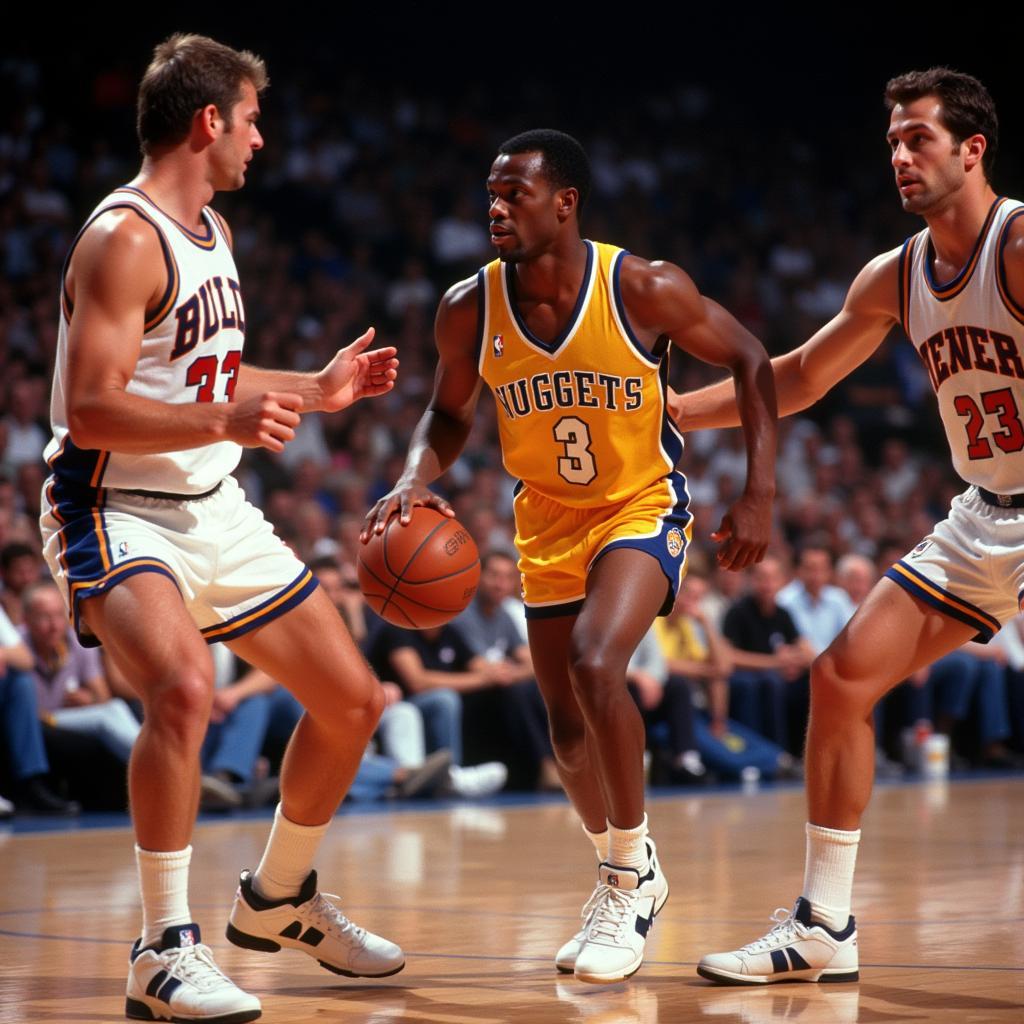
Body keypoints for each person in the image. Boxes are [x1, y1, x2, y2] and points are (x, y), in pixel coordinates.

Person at [40, 34, 402, 1023]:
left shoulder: (213, 235)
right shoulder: (122, 236)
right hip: (112, 506)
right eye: (251, 118)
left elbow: (207, 377)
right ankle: (161, 950)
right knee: (184, 686)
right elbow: (92, 408)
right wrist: (226, 420)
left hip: (212, 506)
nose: (260, 139)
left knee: (353, 700)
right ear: (210, 121)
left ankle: (278, 897)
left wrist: (314, 391)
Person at [363, 129, 777, 984]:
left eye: (514, 193)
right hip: (544, 520)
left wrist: (759, 492)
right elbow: (448, 417)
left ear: (566, 203)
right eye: (490, 193)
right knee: (564, 728)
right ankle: (626, 870)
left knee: (597, 667)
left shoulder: (643, 287)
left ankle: (630, 882)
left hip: (638, 503)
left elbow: (749, 358)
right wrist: (411, 475)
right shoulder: (468, 307)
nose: (496, 208)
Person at [673, 68, 1023, 984]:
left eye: (920, 140)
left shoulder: (1017, 244)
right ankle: (823, 925)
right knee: (839, 681)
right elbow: (794, 378)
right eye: (893, 144)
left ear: (971, 149)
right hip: (981, 512)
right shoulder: (897, 273)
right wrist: (670, 410)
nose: (901, 158)